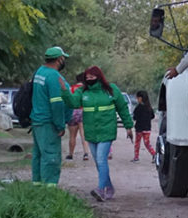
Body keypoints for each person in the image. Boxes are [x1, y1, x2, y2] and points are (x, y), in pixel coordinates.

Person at [67, 66, 133, 201]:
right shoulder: (82, 91)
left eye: (92, 77)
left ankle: (100, 189)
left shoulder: (111, 89)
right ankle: (109, 188)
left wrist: (128, 126)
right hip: (91, 133)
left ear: (99, 76)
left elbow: (122, 108)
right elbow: (72, 102)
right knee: (98, 162)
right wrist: (64, 91)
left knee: (102, 159)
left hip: (106, 130)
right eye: (87, 77)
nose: (89, 79)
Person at [30, 46, 73, 185]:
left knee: (38, 155)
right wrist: (60, 125)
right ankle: (49, 189)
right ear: (59, 59)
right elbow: (57, 103)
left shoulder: (39, 72)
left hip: (37, 120)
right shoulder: (53, 76)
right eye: (63, 58)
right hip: (49, 122)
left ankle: (36, 185)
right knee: (51, 156)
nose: (64, 61)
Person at [65, 73, 88, 161]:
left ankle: (70, 154)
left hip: (72, 112)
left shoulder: (71, 88)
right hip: (83, 111)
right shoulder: (85, 90)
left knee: (72, 135)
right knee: (84, 134)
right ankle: (86, 153)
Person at [131, 90, 156, 163]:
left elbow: (134, 117)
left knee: (137, 143)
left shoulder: (138, 107)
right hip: (147, 128)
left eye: (137, 98)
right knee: (147, 143)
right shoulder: (149, 107)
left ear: (141, 98)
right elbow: (152, 116)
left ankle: (136, 158)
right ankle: (154, 154)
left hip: (139, 129)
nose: (137, 99)